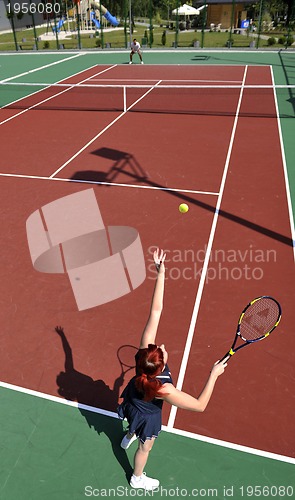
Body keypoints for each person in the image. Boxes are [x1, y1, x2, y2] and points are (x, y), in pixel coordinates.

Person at [117, 248, 227, 491]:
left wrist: (161, 272)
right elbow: (199, 406)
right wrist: (213, 375)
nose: (163, 346)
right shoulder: (164, 388)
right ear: (161, 365)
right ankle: (137, 477)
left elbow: (156, 311)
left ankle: (127, 435)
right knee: (145, 447)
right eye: (162, 350)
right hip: (148, 416)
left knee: (131, 418)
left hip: (134, 401)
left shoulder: (142, 357)